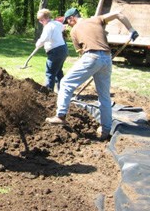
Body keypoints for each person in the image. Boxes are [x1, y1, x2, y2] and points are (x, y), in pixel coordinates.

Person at [45, 8, 139, 140]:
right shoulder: (96, 19)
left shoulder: (74, 30)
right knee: (104, 97)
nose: (68, 25)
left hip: (92, 57)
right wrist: (131, 30)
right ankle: (106, 130)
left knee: (65, 82)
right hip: (107, 58)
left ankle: (60, 116)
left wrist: (89, 68)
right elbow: (118, 13)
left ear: (72, 18)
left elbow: (82, 55)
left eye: (68, 22)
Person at [35, 9, 68, 91]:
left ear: (46, 18)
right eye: (39, 20)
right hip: (63, 49)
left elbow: (44, 39)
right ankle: (62, 91)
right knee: (58, 71)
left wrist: (37, 45)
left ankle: (48, 93)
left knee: (50, 72)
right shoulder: (57, 23)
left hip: (55, 51)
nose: (40, 22)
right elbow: (62, 28)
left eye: (41, 20)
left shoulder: (48, 27)